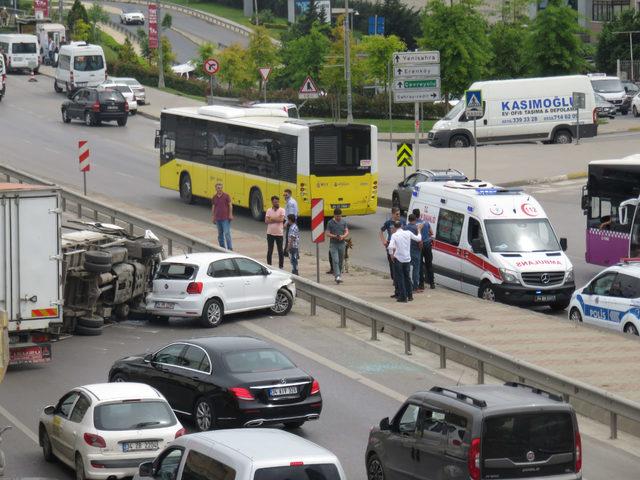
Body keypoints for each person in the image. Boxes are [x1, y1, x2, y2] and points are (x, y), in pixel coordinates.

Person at [388, 220, 423, 302]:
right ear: (402, 226)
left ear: (395, 227)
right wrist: (419, 230)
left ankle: (403, 297)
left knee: (400, 278)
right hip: (407, 259)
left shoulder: (394, 235)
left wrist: (391, 255)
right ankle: (410, 296)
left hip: (399, 259)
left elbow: (390, 247)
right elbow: (418, 239)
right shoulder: (408, 233)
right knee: (407, 277)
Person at [379, 208, 405, 280]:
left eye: (399, 214)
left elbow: (406, 231)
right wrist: (383, 241)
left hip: (399, 245)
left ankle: (397, 279)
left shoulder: (402, 221)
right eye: (397, 214)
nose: (398, 215)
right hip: (390, 245)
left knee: (399, 262)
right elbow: (381, 231)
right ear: (393, 214)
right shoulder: (388, 222)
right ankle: (394, 278)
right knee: (392, 263)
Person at [414, 208, 435, 289]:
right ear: (419, 214)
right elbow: (432, 233)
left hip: (419, 246)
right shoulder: (426, 222)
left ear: (414, 216)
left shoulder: (415, 225)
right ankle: (432, 283)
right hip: (427, 245)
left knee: (419, 265)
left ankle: (421, 284)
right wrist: (427, 236)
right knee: (429, 264)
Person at [327, 208, 349, 284]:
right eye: (337, 216)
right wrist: (335, 236)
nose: (339, 218)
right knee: (335, 260)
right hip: (333, 244)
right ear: (334, 215)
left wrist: (343, 236)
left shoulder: (344, 222)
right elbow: (327, 233)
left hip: (342, 244)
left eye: (340, 216)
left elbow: (346, 231)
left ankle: (338, 274)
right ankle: (337, 276)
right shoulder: (330, 223)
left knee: (340, 261)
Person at [404, 214, 423, 294]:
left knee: (407, 269)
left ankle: (408, 285)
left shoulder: (405, 228)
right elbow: (420, 242)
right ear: (415, 220)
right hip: (415, 251)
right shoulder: (416, 228)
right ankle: (415, 287)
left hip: (407, 251)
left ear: (408, 219)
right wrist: (421, 248)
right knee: (416, 269)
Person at [265, 195, 286, 269]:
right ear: (272, 202)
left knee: (280, 250)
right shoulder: (268, 210)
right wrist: (276, 218)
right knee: (270, 250)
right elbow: (266, 221)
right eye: (275, 202)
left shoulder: (282, 210)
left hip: (279, 233)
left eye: (277, 202)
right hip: (270, 233)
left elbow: (281, 220)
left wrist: (272, 218)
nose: (276, 203)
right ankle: (269, 265)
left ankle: (281, 266)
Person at [211, 183, 233, 250]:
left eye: (220, 188)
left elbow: (230, 205)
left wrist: (230, 214)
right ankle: (222, 248)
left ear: (222, 188)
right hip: (218, 219)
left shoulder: (226, 196)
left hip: (225, 218)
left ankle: (230, 248)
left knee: (227, 233)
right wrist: (213, 217)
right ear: (216, 189)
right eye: (218, 188)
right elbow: (213, 207)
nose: (219, 189)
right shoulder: (214, 197)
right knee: (220, 235)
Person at [283, 189, 298, 254]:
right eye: (284, 195)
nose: (285, 196)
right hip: (292, 221)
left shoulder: (290, 203)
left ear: (290, 194)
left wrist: (286, 223)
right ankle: (294, 252)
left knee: (289, 237)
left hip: (291, 221)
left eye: (286, 195)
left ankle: (286, 252)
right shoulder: (292, 201)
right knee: (293, 237)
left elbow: (291, 214)